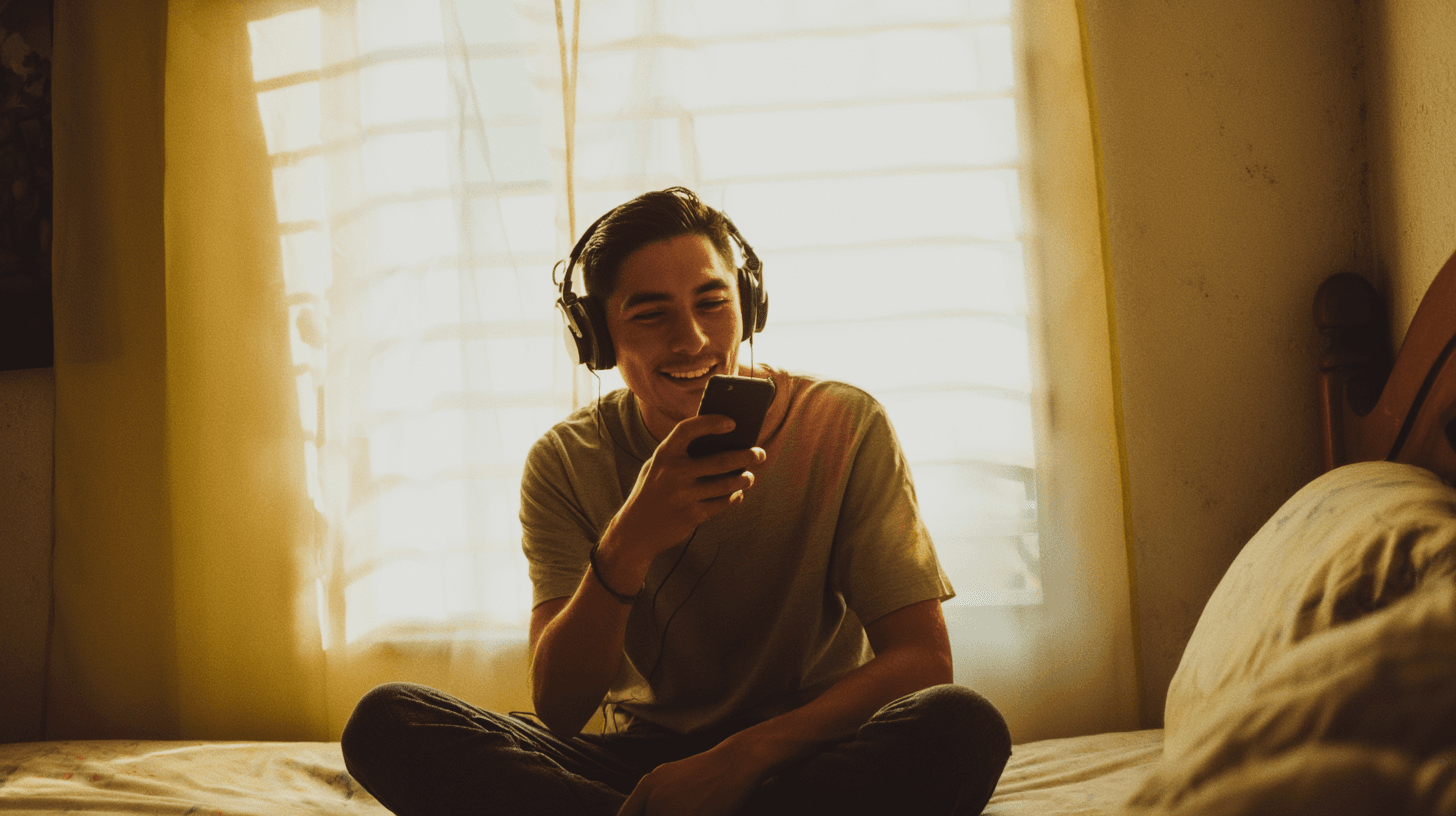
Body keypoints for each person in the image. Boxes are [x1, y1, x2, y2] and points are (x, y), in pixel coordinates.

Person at [340, 188, 1012, 816]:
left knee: (962, 725)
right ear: (598, 339)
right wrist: (628, 540)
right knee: (389, 721)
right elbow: (562, 708)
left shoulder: (843, 423)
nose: (691, 339)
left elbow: (923, 660)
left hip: (806, 750)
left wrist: (743, 757)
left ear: (749, 304)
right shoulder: (565, 462)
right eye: (651, 313)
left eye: (712, 303)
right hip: (638, 768)